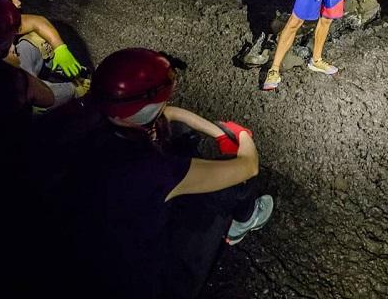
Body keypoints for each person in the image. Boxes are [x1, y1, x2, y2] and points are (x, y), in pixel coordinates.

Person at [50, 48, 274, 297]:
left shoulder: (90, 119)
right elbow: (247, 166)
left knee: (175, 135)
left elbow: (170, 114)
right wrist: (241, 135)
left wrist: (217, 132)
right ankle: (243, 220)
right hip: (143, 281)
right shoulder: (150, 169)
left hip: (85, 244)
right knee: (229, 185)